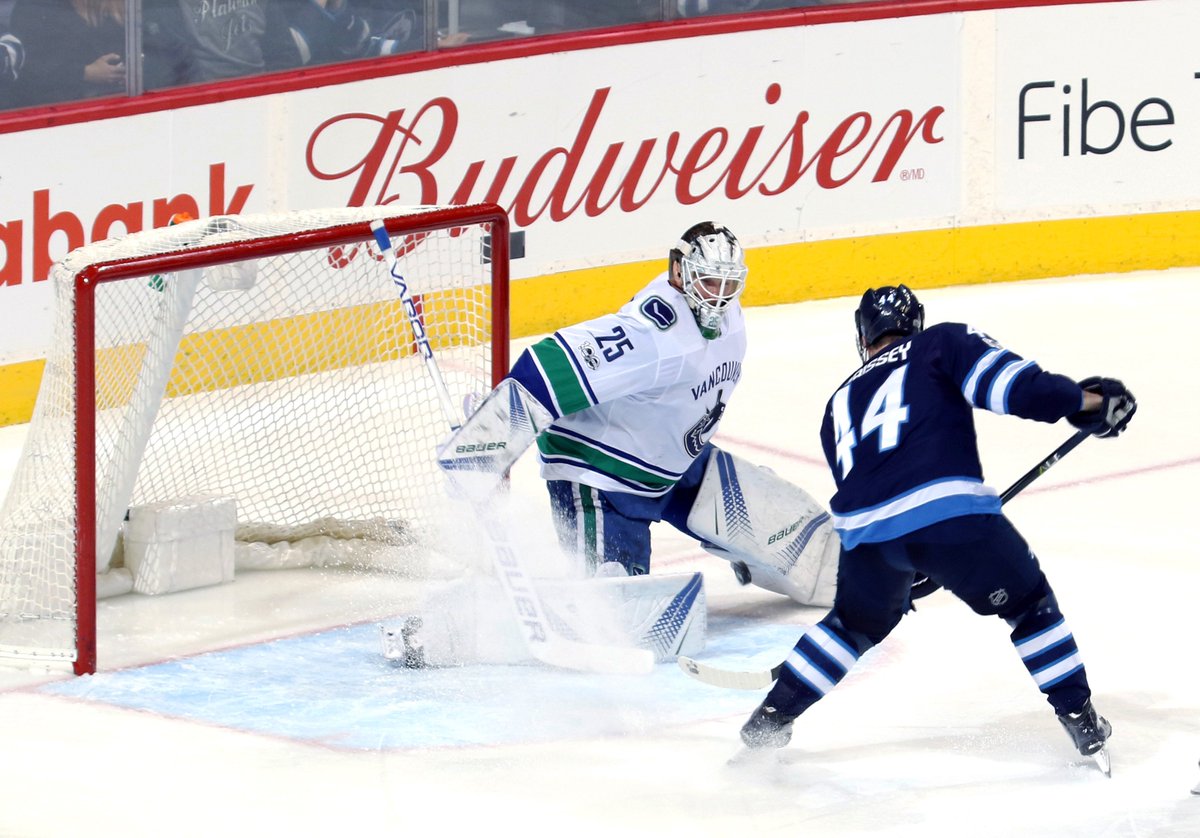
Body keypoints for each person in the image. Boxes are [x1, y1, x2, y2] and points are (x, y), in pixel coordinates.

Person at [739, 284, 1136, 769]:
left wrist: (904, 564)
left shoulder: (837, 402)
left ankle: (770, 718)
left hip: (864, 537)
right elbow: (1018, 389)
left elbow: (871, 490)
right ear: (917, 323)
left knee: (850, 626)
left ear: (864, 336)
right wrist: (1087, 402)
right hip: (948, 515)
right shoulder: (941, 343)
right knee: (1030, 607)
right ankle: (1082, 722)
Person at [438, 221, 838, 603]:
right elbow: (552, 362)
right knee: (612, 613)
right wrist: (487, 437)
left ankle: (851, 575)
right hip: (604, 478)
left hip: (674, 465)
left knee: (792, 535)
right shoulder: (652, 333)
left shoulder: (730, 315)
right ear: (678, 272)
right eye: (709, 281)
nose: (718, 295)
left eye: (729, 283)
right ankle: (477, 620)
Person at [8, 0, 125, 106]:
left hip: (115, 101)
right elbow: (28, 67)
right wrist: (85, 73)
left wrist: (127, 71)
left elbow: (135, 44)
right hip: (57, 109)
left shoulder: (114, 7)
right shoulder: (34, 7)